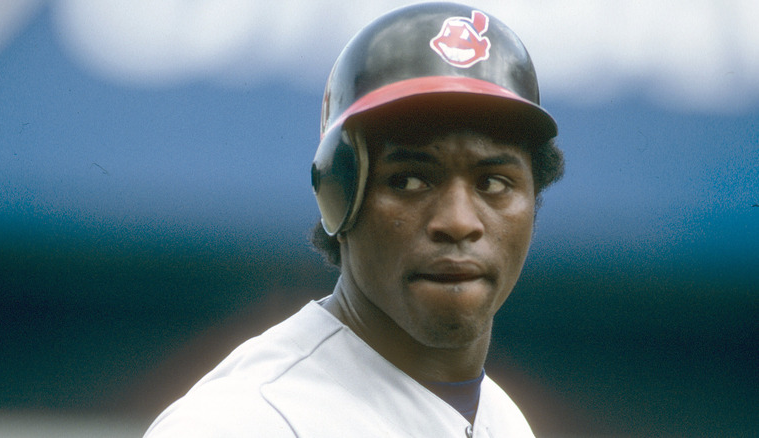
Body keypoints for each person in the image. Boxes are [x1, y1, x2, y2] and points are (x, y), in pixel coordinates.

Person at [144, 2, 564, 437]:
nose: (458, 222)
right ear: (338, 196)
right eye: (409, 181)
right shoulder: (247, 421)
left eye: (493, 183)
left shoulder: (505, 422)